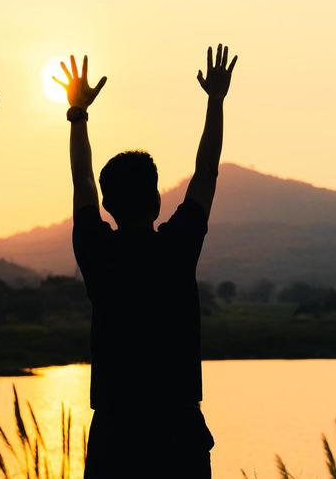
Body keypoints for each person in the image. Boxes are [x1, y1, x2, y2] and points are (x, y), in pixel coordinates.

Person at [54, 45, 238, 479]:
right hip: (178, 428)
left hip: (116, 431)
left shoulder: (97, 250)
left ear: (108, 204)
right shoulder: (176, 248)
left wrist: (77, 114)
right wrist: (215, 101)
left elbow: (81, 179)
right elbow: (207, 172)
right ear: (157, 199)